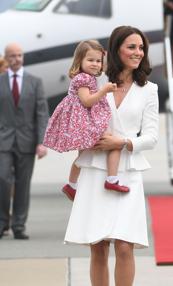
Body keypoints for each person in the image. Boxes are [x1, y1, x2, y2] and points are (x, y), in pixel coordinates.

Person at [64, 26, 159, 285]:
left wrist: (122, 142)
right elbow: (75, 112)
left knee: (125, 246)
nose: (138, 52)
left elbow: (151, 137)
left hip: (126, 172)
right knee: (98, 246)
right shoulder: (93, 79)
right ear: (116, 49)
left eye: (141, 48)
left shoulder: (149, 89)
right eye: (131, 47)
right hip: (94, 170)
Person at [43, 40, 128, 201]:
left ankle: (72, 185)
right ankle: (111, 179)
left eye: (98, 61)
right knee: (114, 142)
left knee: (83, 156)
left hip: (84, 118)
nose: (95, 64)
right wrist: (104, 90)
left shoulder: (88, 77)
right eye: (90, 60)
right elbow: (87, 101)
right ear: (79, 60)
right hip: (84, 120)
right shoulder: (83, 79)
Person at [0, 43, 49, 240]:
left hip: (27, 141)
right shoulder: (0, 80)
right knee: (2, 179)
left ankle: (19, 225)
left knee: (23, 184)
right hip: (3, 140)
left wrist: (42, 142)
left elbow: (41, 114)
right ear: (6, 58)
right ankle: (3, 222)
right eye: (12, 56)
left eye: (19, 55)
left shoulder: (35, 82)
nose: (16, 59)